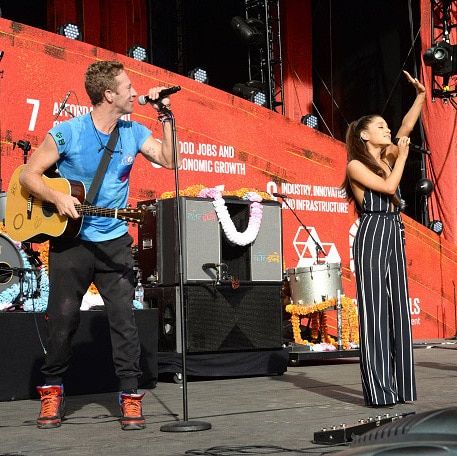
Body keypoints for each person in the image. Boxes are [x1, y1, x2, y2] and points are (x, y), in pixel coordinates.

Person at [19, 60, 181, 430]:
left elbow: (171, 160)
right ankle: (52, 391)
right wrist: (56, 198)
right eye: (127, 86)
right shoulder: (68, 133)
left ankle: (129, 397)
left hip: (114, 243)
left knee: (124, 321)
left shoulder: (134, 132)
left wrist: (165, 115)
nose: (134, 91)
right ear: (109, 94)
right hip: (71, 242)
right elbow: (29, 175)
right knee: (62, 320)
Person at [342, 70, 425, 407]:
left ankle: (402, 387)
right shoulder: (354, 166)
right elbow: (390, 189)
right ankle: (379, 392)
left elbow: (405, 128)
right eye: (379, 127)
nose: (387, 130)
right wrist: (403, 156)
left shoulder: (387, 155)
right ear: (364, 134)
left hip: (393, 231)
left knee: (398, 312)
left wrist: (420, 96)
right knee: (376, 313)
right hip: (374, 231)